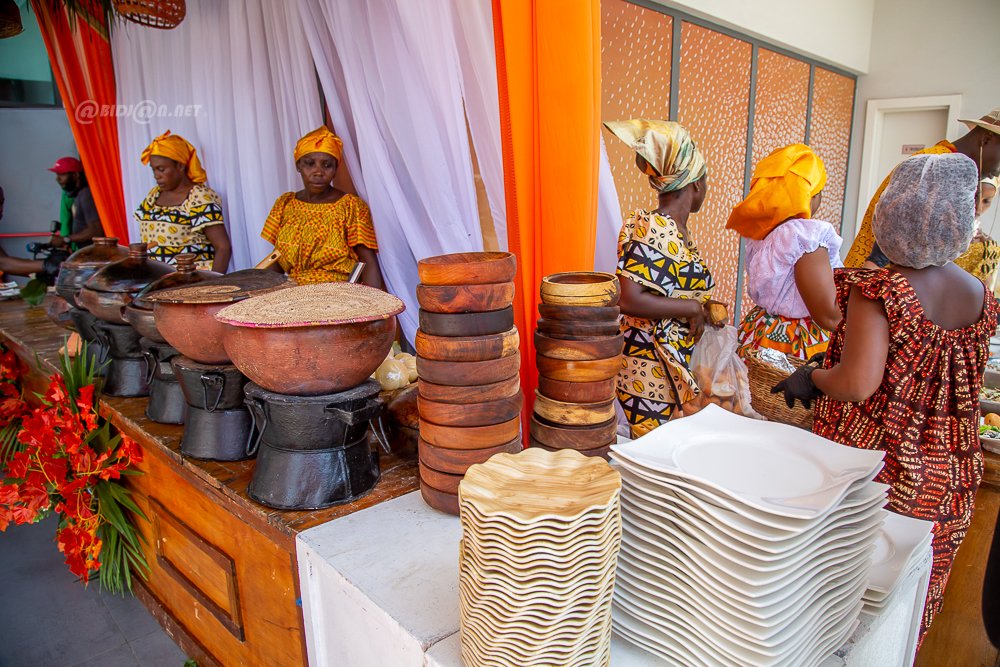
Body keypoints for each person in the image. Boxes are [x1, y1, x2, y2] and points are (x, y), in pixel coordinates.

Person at [774, 153, 999, 641]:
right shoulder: (980, 295)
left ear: (890, 213)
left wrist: (812, 378)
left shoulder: (881, 289)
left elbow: (857, 383)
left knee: (843, 611)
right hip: (948, 476)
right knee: (901, 614)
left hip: (879, 472)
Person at [603, 119, 724, 438]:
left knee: (663, 447)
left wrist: (703, 306)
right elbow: (628, 297)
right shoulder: (656, 227)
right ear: (695, 184)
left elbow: (664, 289)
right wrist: (691, 308)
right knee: (652, 450)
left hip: (668, 364)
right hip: (648, 367)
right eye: (705, 180)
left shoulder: (676, 232)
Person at [726, 144, 842, 361]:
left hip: (760, 331)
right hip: (794, 344)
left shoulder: (763, 233)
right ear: (810, 195)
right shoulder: (805, 237)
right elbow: (830, 317)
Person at [846, 106, 1000, 268]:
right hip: (880, 273)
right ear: (986, 139)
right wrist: (874, 267)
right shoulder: (937, 167)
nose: (996, 173)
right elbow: (899, 223)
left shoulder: (942, 162)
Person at [262, 126, 385, 289]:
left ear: (335, 170)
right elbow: (278, 260)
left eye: (327, 165)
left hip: (337, 293)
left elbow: (367, 262)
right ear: (298, 166)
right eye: (309, 164)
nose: (318, 172)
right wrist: (254, 286)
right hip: (294, 292)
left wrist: (374, 302)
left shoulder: (350, 206)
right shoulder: (285, 204)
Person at [136, 131, 231, 272]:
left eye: (161, 169)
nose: (156, 175)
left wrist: (213, 283)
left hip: (192, 280)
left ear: (180, 166)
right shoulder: (154, 195)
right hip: (157, 280)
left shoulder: (199, 197)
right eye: (154, 170)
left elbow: (223, 247)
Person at [48, 156, 103, 250]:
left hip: (93, 254)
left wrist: (65, 239)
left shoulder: (86, 194)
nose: (58, 179)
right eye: (57, 175)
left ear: (75, 175)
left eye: (62, 174)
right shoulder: (78, 194)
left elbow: (96, 230)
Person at [955, 176, 1000, 290]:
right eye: (975, 197)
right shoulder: (931, 236)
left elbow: (986, 293)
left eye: (986, 201)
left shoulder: (988, 249)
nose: (978, 208)